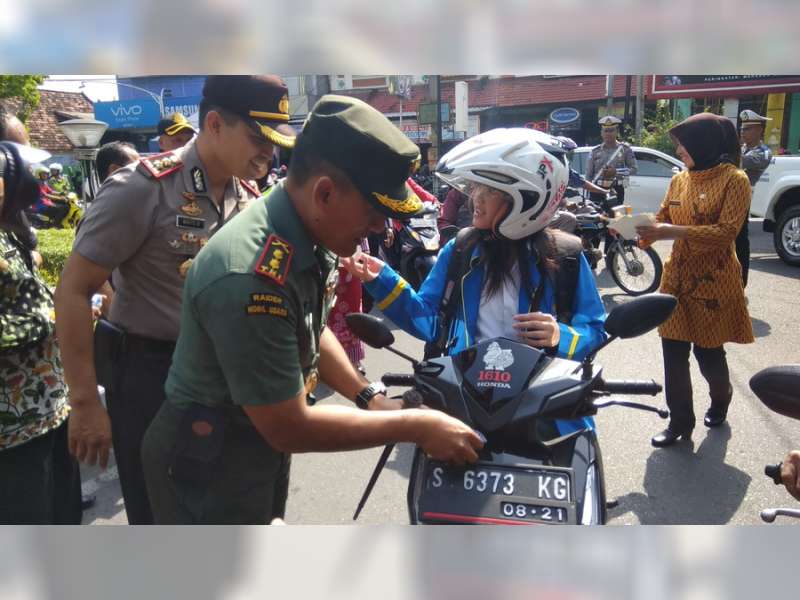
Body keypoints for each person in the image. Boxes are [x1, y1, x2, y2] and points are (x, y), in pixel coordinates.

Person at [141, 94, 483, 525]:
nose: (381, 228)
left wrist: (367, 396)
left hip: (252, 441)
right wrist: (415, 425)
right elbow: (289, 426)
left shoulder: (304, 230)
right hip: (207, 462)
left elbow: (307, 322)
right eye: (377, 212)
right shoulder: (251, 276)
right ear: (324, 193)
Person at [54, 75, 286, 525]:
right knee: (162, 517)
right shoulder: (142, 188)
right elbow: (73, 291)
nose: (269, 151)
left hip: (224, 382)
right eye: (259, 138)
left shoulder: (250, 199)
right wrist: (84, 402)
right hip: (150, 377)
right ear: (215, 124)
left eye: (274, 140)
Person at [343, 127, 607, 438]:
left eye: (488, 190)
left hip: (544, 407)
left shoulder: (567, 257)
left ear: (528, 196)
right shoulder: (461, 249)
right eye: (475, 187)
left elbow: (594, 330)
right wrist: (380, 278)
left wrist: (558, 335)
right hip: (469, 404)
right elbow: (428, 320)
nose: (474, 198)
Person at [637, 113, 754, 447]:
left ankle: (721, 398)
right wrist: (642, 231)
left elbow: (726, 233)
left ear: (704, 143)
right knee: (672, 351)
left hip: (714, 278)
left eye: (683, 144)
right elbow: (662, 217)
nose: (679, 150)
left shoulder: (735, 179)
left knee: (708, 353)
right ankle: (679, 423)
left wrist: (668, 231)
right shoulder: (680, 180)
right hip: (676, 277)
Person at [0, 140, 84, 524]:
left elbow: (23, 299)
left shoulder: (11, 231)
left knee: (61, 515)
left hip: (49, 408)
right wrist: (56, 316)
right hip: (12, 428)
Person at [737, 109, 772, 288]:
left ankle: (740, 284)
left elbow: (743, 162)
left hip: (745, 200)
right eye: (742, 129)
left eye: (748, 129)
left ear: (760, 130)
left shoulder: (763, 152)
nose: (743, 132)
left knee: (740, 243)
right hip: (732, 198)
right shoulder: (742, 148)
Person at [584, 116, 637, 206]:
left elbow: (634, 169)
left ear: (617, 132)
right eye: (606, 130)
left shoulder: (625, 149)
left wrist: (616, 172)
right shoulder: (594, 151)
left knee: (615, 218)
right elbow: (588, 175)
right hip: (596, 189)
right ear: (601, 133)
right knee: (596, 217)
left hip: (616, 189)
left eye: (611, 130)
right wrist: (586, 196)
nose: (608, 133)